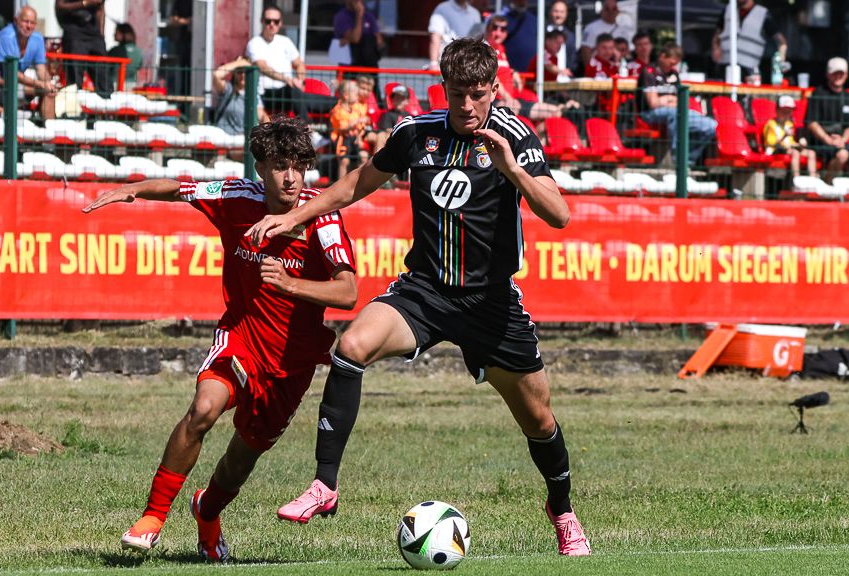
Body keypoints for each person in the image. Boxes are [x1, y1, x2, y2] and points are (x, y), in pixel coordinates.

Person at [245, 37, 591, 557]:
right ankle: (324, 486)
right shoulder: (414, 134)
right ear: (443, 89)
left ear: (495, 89)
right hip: (425, 290)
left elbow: (560, 215)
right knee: (350, 347)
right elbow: (358, 182)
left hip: (491, 302)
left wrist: (512, 170)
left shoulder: (516, 136)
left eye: (478, 94)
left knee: (539, 420)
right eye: (458, 94)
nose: (468, 106)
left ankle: (562, 511)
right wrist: (294, 216)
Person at [83, 117, 358, 562]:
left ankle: (206, 512)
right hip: (241, 337)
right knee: (203, 409)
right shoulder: (236, 197)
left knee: (241, 459)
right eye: (279, 165)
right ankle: (152, 517)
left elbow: (348, 291)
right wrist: (134, 188)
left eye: (299, 166)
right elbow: (180, 188)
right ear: (260, 169)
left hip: (291, 363)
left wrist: (292, 285)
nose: (290, 177)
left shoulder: (321, 216)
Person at [247, 4, 335, 120]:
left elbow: (299, 64)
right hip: (267, 94)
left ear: (280, 23)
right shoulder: (255, 43)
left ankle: (338, 131)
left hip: (290, 93)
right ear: (262, 21)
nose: (272, 24)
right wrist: (288, 80)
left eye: (276, 21)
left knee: (335, 102)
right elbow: (263, 67)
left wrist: (301, 81)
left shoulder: (285, 41)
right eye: (268, 21)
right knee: (295, 92)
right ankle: (306, 130)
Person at [638, 42, 716, 165]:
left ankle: (688, 160)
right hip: (649, 114)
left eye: (675, 64)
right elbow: (653, 103)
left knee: (710, 125)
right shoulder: (649, 71)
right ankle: (677, 158)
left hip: (674, 111)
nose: (672, 66)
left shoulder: (674, 74)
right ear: (662, 56)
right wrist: (671, 99)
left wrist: (666, 100)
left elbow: (681, 101)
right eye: (671, 62)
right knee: (676, 115)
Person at [0, 6, 57, 120]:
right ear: (16, 20)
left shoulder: (38, 39)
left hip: (14, 83)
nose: (29, 26)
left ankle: (49, 131)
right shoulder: (7, 37)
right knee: (39, 87)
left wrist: (48, 83)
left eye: (32, 23)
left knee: (49, 91)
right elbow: (11, 72)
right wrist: (40, 84)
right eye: (25, 21)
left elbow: (41, 68)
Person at [805, 57, 849, 181]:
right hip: (821, 143)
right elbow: (812, 123)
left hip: (843, 143)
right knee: (842, 155)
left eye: (841, 73)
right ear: (828, 74)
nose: (838, 76)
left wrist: (843, 140)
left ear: (846, 75)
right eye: (835, 73)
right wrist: (828, 139)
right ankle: (827, 187)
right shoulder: (818, 94)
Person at [710, 0, 786, 83]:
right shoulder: (728, 9)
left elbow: (781, 41)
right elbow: (717, 33)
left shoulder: (762, 14)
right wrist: (716, 48)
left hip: (749, 69)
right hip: (725, 66)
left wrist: (780, 61)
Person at [211, 56, 268, 160]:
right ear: (234, 73)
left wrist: (267, 131)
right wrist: (239, 63)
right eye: (239, 71)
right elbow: (216, 75)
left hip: (245, 141)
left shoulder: (254, 95)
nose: (242, 75)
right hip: (227, 141)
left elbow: (262, 115)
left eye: (246, 72)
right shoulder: (227, 89)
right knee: (250, 153)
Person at [55, 0, 111, 95]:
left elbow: (101, 9)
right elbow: (60, 6)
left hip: (94, 35)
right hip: (74, 33)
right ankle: (72, 106)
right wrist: (84, 3)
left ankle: (106, 99)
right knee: (74, 82)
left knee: (103, 77)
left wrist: (101, 34)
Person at [762, 95, 816, 178]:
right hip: (776, 150)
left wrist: (799, 145)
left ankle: (813, 178)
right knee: (795, 153)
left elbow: (790, 142)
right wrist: (784, 136)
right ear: (777, 110)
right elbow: (771, 144)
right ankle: (796, 177)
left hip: (788, 148)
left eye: (789, 111)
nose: (787, 114)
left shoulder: (789, 124)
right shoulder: (771, 124)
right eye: (784, 111)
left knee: (811, 153)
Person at [330, 79, 370, 179]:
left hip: (354, 139)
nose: (358, 96)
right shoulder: (338, 110)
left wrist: (360, 136)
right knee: (344, 161)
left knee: (363, 156)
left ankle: (359, 184)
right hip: (342, 139)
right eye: (356, 94)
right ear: (346, 95)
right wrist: (356, 122)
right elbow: (342, 128)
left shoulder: (356, 109)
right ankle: (340, 185)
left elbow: (361, 126)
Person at [333, 0, 384, 74]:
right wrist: (359, 15)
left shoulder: (369, 16)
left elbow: (379, 42)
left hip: (369, 68)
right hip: (349, 68)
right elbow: (355, 38)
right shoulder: (341, 17)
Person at [427, 0, 480, 70]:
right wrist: (433, 63)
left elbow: (478, 38)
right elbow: (435, 36)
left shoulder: (475, 13)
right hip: (448, 65)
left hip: (470, 65)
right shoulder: (442, 9)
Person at [579, 0, 635, 66]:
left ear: (618, 11)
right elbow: (586, 51)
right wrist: (589, 69)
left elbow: (627, 52)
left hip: (617, 67)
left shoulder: (623, 29)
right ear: (601, 11)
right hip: (598, 68)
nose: (611, 12)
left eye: (614, 9)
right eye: (607, 9)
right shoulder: (591, 28)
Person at [499, 0, 537, 73]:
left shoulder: (534, 20)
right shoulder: (504, 20)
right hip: (511, 72)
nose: (521, 2)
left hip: (532, 74)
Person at [546, 0, 578, 77]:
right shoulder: (541, 32)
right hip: (545, 79)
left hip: (565, 80)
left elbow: (572, 59)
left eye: (562, 12)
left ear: (566, 14)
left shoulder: (570, 35)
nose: (559, 15)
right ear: (550, 12)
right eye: (556, 11)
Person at [107, 23, 142, 88]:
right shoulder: (139, 51)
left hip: (115, 84)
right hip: (132, 84)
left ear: (123, 34)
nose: (114, 34)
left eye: (116, 32)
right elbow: (139, 66)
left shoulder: (115, 50)